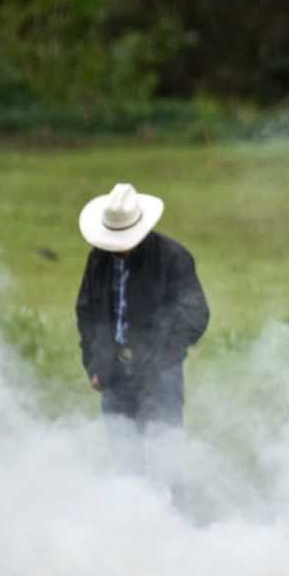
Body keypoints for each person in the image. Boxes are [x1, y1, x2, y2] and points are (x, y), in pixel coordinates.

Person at [75, 183, 209, 434]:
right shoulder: (97, 258)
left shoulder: (173, 257)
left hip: (161, 375)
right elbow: (86, 311)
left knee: (164, 451)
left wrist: (165, 356)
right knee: (122, 454)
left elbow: (196, 314)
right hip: (112, 373)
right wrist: (93, 364)